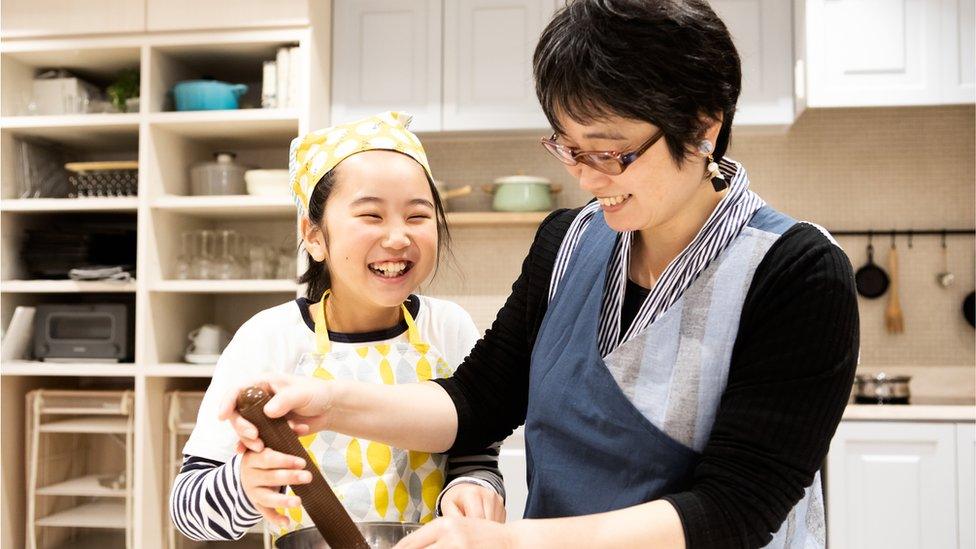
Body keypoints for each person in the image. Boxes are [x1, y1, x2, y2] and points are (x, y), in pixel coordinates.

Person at [220, 2, 859, 547]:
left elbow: (735, 510)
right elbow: (474, 404)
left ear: (702, 129)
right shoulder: (567, 241)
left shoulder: (797, 273)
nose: (585, 176)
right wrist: (328, 404)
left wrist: (510, 540)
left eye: (610, 152)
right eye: (568, 147)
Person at [169, 111, 506, 543]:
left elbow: (474, 452)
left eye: (418, 216)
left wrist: (473, 487)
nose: (399, 237)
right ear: (313, 236)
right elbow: (186, 509)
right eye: (371, 215)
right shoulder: (269, 338)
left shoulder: (448, 328)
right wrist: (243, 483)